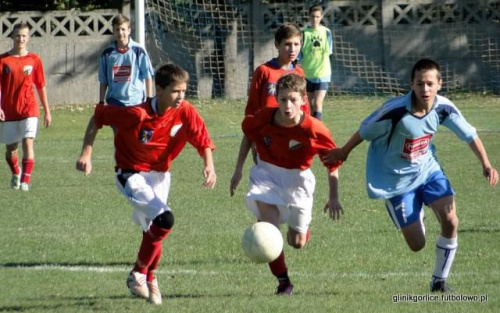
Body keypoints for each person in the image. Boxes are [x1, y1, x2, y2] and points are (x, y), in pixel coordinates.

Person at [323, 58, 499, 292]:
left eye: (429, 83)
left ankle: (439, 281)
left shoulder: (444, 108)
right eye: (419, 84)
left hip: (428, 171)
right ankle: (411, 212)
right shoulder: (395, 111)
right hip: (395, 181)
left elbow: (469, 135)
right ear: (411, 84)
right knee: (417, 244)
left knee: (451, 220)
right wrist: (344, 151)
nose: (425, 89)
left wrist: (486, 164)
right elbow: (365, 131)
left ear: (439, 84)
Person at [77, 63, 217, 305]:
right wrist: (86, 154)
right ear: (159, 89)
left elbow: (201, 136)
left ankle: (148, 277)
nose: (181, 97)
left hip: (160, 175)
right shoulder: (136, 114)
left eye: (184, 91)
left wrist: (209, 164)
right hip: (130, 174)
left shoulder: (184, 110)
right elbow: (97, 118)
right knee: (165, 219)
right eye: (175, 91)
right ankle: (139, 273)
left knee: (154, 230)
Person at [230, 73, 343, 295]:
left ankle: (302, 230)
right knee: (269, 230)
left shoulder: (314, 129)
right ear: (277, 99)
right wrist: (238, 169)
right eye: (282, 99)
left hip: (298, 179)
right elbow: (249, 134)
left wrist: (334, 196)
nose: (287, 105)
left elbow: (332, 164)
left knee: (297, 241)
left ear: (303, 99)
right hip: (266, 174)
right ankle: (284, 282)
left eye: (292, 99)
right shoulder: (264, 117)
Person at [76, 13, 154, 175]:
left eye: (124, 29)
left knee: (140, 137)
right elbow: (103, 80)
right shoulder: (107, 53)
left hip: (136, 102)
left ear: (129, 30)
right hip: (115, 102)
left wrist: (149, 99)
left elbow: (147, 76)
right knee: (120, 137)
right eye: (118, 29)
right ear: (114, 31)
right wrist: (101, 101)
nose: (121, 33)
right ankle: (125, 167)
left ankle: (140, 164)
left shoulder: (139, 51)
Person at [232, 23, 309, 183]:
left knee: (291, 191)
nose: (292, 49)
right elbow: (252, 113)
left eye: (296, 44)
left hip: (291, 141)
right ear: (276, 45)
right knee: (267, 190)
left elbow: (304, 111)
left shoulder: (299, 73)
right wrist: (254, 139)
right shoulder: (264, 72)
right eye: (287, 44)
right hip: (266, 142)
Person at [0, 23, 51, 191]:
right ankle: (16, 172)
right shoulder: (3, 60)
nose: (20, 39)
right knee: (10, 150)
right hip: (8, 111)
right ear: (12, 37)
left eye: (23, 36)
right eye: (17, 35)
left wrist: (47, 111)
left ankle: (25, 181)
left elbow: (41, 85)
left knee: (28, 142)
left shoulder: (34, 59)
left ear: (28, 38)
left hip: (29, 108)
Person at [299, 4, 333, 120]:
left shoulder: (326, 32)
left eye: (317, 16)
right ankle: (312, 130)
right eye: (313, 16)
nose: (315, 19)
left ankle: (319, 134)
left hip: (322, 74)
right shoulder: (304, 33)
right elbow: (299, 55)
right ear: (309, 16)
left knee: (318, 103)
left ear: (321, 17)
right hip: (308, 75)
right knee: (310, 106)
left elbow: (329, 52)